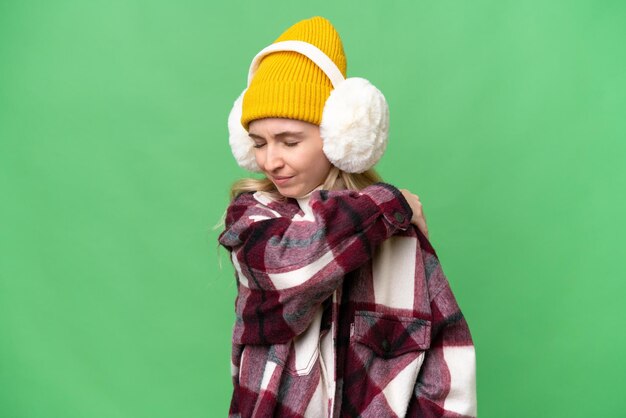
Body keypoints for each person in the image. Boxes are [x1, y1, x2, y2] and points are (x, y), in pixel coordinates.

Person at [218, 16, 477, 418]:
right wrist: (390, 202)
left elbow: (448, 366)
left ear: (339, 135)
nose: (271, 160)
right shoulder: (252, 220)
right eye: (259, 143)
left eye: (290, 141)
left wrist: (391, 212)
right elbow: (297, 266)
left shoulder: (398, 236)